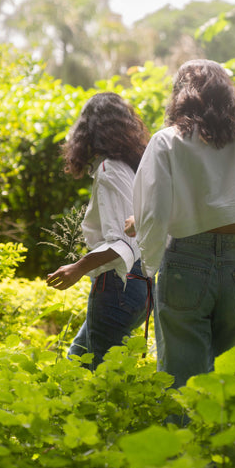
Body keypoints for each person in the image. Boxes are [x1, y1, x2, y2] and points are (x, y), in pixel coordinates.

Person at [130, 59, 235, 388]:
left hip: (186, 261)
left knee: (181, 380)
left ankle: (184, 438)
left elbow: (153, 212)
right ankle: (231, 441)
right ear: (228, 95)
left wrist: (148, 259)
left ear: (181, 95)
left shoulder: (167, 141)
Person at [47, 92, 150, 370]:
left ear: (88, 130)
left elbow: (124, 243)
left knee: (105, 376)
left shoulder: (109, 169)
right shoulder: (132, 167)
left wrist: (78, 267)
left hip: (118, 285)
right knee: (76, 362)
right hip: (141, 286)